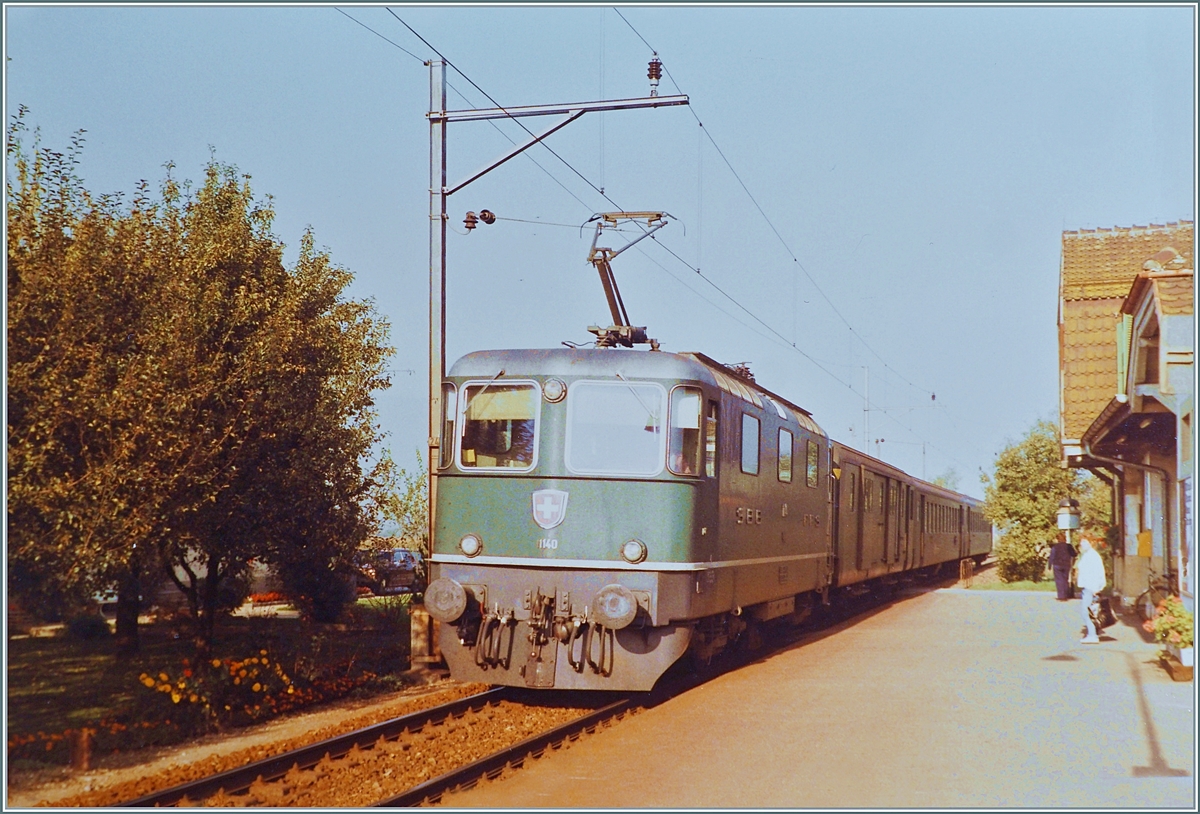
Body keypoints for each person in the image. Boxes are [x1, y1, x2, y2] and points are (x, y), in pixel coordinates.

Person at [1076, 536, 1107, 644]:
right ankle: (1092, 633)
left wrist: (1097, 587)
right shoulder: (1087, 555)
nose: (1082, 544)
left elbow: (1099, 572)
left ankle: (1092, 635)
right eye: (1081, 542)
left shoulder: (1093, 556)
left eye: (1085, 541)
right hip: (1087, 587)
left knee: (1086, 612)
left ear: (1091, 542)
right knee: (1091, 611)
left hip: (1090, 587)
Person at [1047, 533, 1077, 601]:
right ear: (1065, 538)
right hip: (1066, 565)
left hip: (1057, 565)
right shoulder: (1069, 546)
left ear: (1058, 539)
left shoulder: (1055, 547)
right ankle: (1065, 596)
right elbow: (1074, 554)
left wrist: (1049, 566)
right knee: (1065, 580)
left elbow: (1052, 556)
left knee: (1059, 580)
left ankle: (1061, 596)